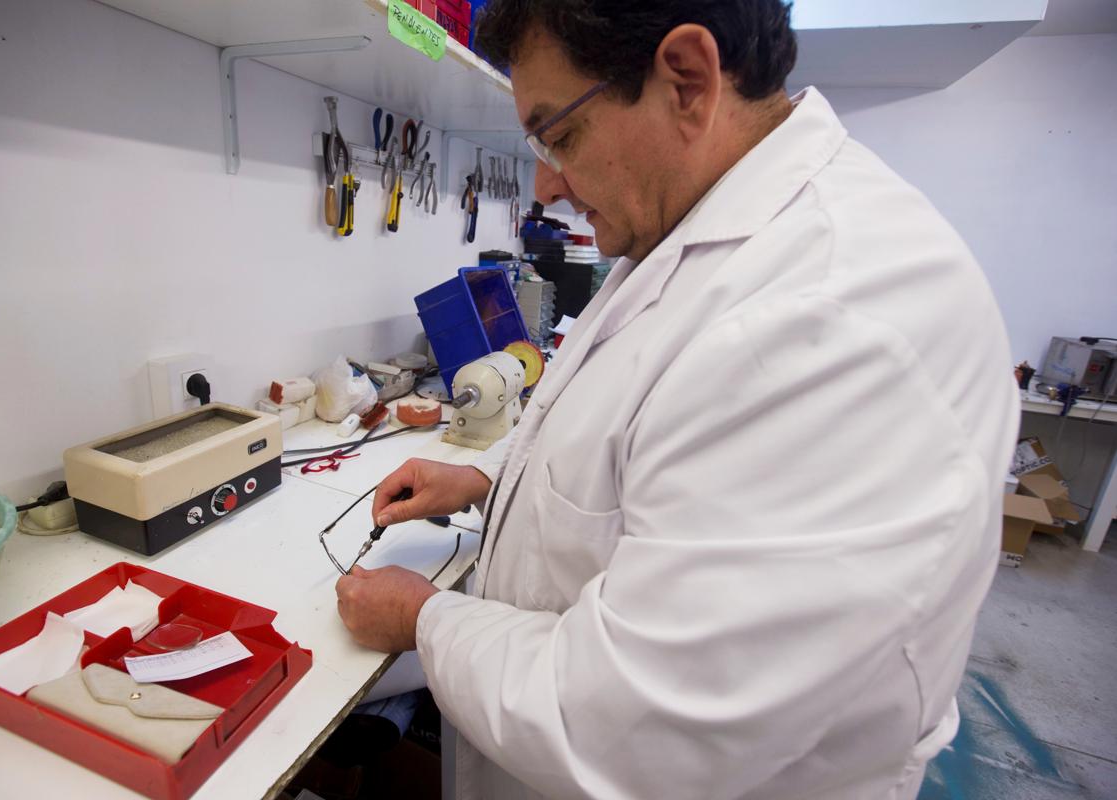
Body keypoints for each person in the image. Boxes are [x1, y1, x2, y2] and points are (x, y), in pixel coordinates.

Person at [335, 1, 1019, 797]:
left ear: (687, 82)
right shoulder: (689, 227)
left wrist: (423, 619)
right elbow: (623, 423)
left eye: (560, 135)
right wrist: (491, 478)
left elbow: (642, 727)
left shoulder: (828, 320)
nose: (546, 185)